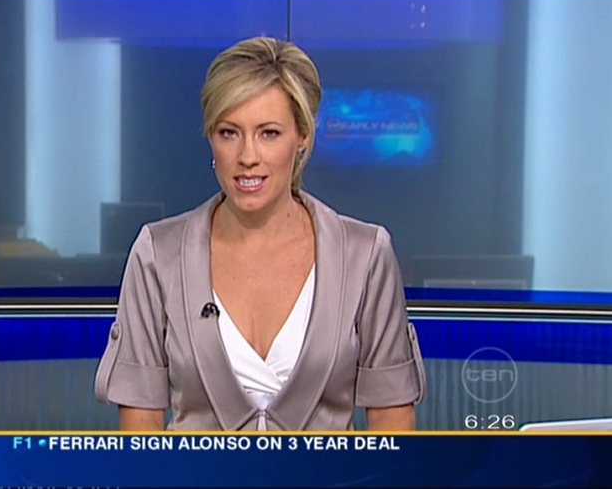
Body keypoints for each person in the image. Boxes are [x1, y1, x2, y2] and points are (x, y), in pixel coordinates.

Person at [95, 37, 425, 431]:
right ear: (210, 137)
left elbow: (391, 419)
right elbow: (140, 426)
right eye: (229, 132)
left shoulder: (365, 255)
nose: (247, 157)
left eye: (268, 133)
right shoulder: (158, 254)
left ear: (302, 137)